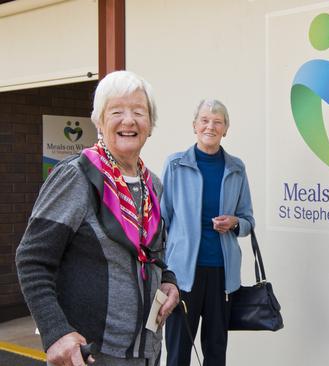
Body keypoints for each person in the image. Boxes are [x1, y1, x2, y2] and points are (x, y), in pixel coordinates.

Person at [16, 70, 179, 366]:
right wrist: (55, 333)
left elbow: (152, 252)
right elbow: (31, 259)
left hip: (147, 352)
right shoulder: (76, 177)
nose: (128, 120)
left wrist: (168, 281)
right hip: (92, 355)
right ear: (100, 121)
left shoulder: (152, 184)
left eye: (138, 112)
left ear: (150, 125)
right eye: (117, 111)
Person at [162, 99, 255, 366]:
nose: (210, 126)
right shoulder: (175, 165)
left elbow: (249, 221)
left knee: (216, 351)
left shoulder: (236, 168)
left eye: (217, 122)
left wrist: (235, 222)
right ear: (194, 126)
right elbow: (161, 220)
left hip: (222, 275)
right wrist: (160, 270)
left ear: (226, 129)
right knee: (178, 350)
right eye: (204, 120)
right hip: (181, 275)